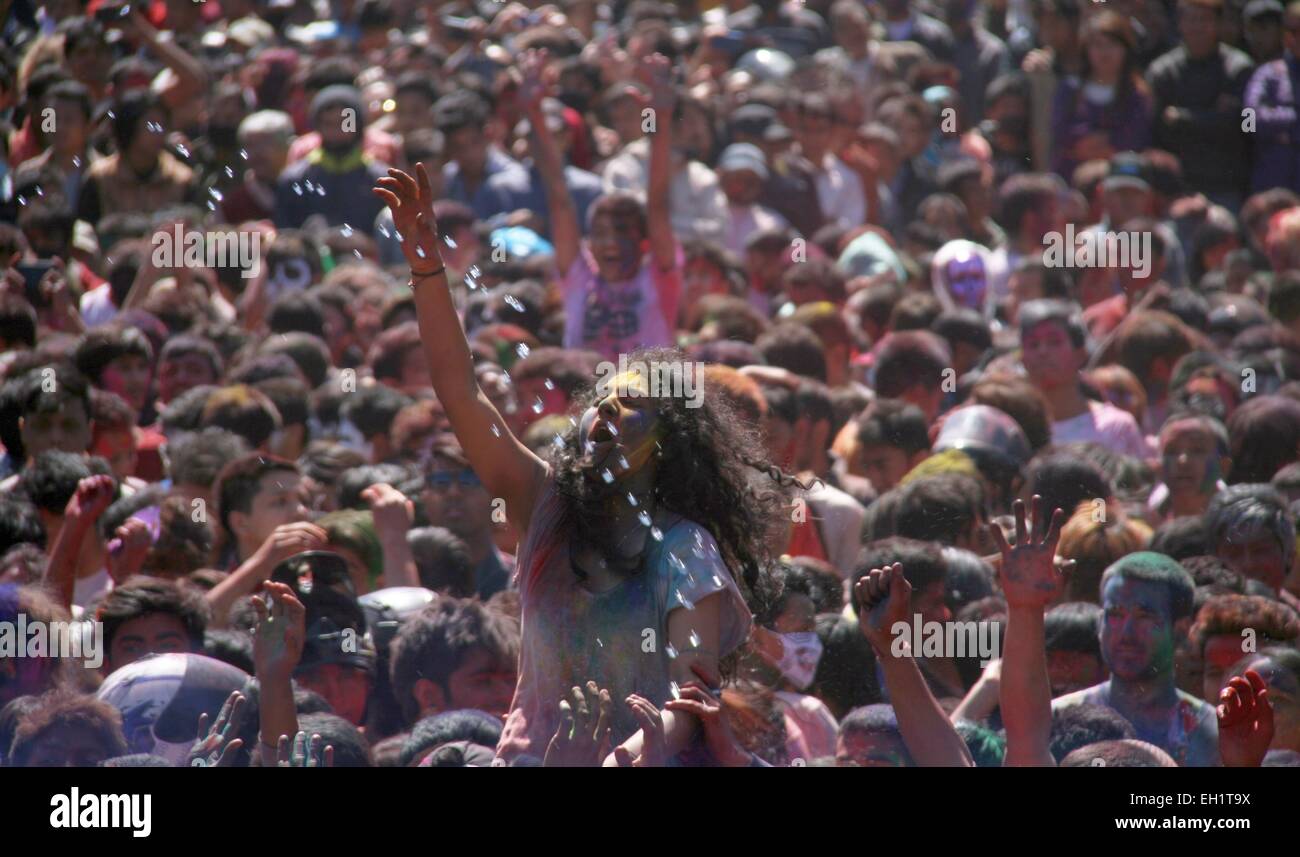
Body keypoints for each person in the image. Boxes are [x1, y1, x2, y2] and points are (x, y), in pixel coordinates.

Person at [374, 158, 782, 765]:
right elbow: (461, 393)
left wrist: (619, 759)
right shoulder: (545, 508)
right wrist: (428, 267)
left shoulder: (684, 550)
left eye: (634, 404)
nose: (609, 411)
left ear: (670, 444)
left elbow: (693, 700)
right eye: (603, 400)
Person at [1051, 551, 1220, 766]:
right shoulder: (1055, 720)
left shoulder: (1213, 734)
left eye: (1145, 617)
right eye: (1115, 615)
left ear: (1180, 629)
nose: (1126, 633)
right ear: (1100, 623)